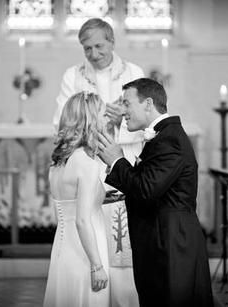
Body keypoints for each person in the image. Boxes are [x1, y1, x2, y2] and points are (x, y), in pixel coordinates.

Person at [98, 78, 214, 307]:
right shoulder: (164, 136)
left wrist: (117, 161)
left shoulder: (169, 139)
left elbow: (146, 190)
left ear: (148, 103)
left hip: (171, 243)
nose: (123, 111)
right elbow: (156, 187)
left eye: (127, 103)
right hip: (164, 238)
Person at [52, 18, 144, 307]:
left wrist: (122, 120)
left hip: (123, 169)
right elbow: (62, 122)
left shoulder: (133, 72)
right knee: (95, 248)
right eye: (86, 48)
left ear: (112, 41)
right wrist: (99, 120)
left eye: (99, 46)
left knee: (124, 261)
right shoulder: (73, 75)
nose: (93, 53)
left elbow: (146, 123)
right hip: (87, 169)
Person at [43, 92, 110, 307]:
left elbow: (64, 211)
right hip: (86, 254)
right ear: (90, 119)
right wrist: (96, 266)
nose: (107, 119)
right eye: (103, 114)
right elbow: (82, 220)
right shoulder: (87, 164)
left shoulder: (58, 163)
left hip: (63, 251)